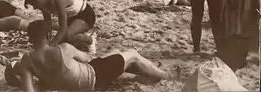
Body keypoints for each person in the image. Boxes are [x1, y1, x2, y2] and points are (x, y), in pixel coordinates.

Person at [13, 20, 173, 91]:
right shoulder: (64, 49)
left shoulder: (27, 60)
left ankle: (148, 74)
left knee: (116, 54)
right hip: (96, 79)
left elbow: (29, 90)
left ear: (30, 38)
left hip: (75, 84)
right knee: (133, 54)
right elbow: (88, 59)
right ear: (48, 36)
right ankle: (166, 75)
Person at [24, 0, 96, 52]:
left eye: (34, 4)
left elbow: (63, 28)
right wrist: (47, 42)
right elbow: (48, 24)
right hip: (71, 17)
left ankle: (90, 39)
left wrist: (50, 47)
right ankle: (78, 35)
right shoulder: (43, 4)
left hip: (85, 15)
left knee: (68, 36)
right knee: (62, 44)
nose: (34, 8)